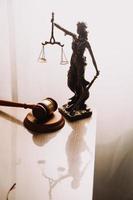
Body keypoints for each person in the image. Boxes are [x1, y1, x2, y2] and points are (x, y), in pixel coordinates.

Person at [54, 22, 99, 114]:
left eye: (79, 28)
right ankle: (77, 97)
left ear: (82, 30)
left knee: (79, 82)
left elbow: (92, 56)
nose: (77, 29)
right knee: (70, 81)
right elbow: (64, 29)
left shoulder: (86, 43)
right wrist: (55, 24)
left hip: (80, 64)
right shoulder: (74, 37)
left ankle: (80, 101)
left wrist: (96, 69)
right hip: (73, 62)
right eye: (77, 28)